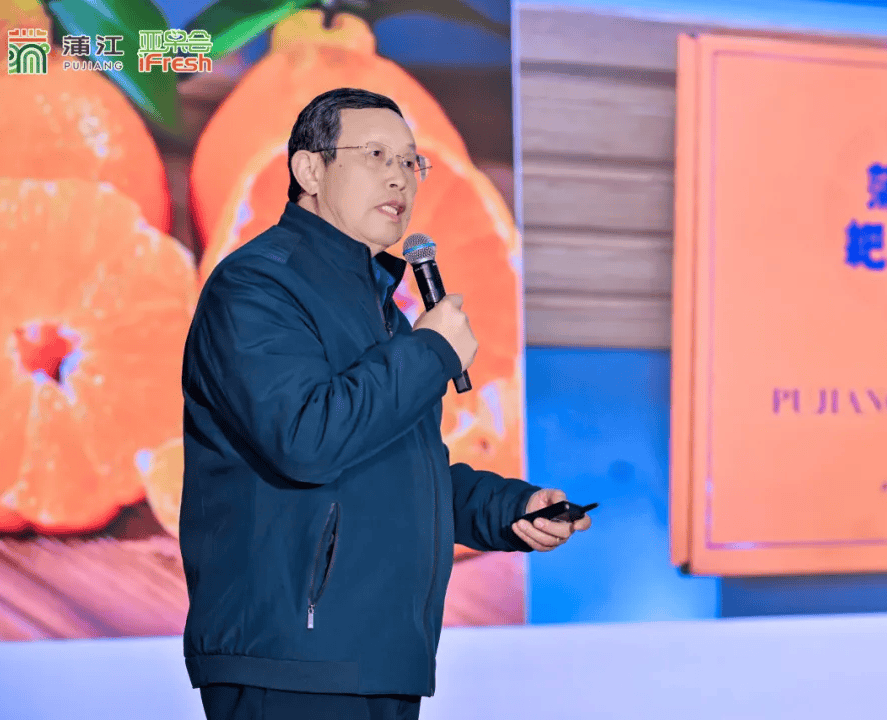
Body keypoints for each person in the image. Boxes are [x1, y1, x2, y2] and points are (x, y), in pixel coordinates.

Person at [178, 87, 593, 720]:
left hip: (380, 658)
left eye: (410, 161)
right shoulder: (256, 284)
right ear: (309, 170)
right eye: (376, 155)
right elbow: (305, 437)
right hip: (290, 660)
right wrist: (431, 351)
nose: (400, 177)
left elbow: (400, 472)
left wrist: (510, 510)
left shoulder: (383, 313)